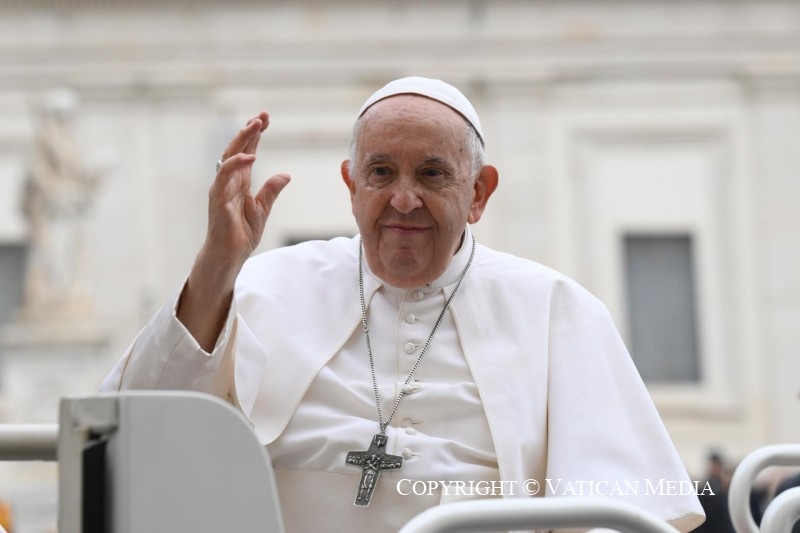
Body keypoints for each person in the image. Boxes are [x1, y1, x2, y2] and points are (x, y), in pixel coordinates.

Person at [102, 77, 705, 532]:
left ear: (478, 192)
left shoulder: (554, 309)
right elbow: (137, 421)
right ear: (351, 185)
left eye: (433, 174)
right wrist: (216, 263)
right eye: (382, 172)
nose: (404, 199)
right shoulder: (267, 284)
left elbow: (622, 508)